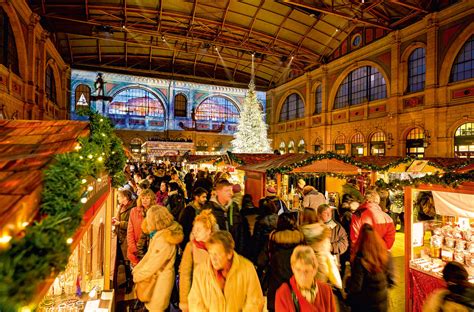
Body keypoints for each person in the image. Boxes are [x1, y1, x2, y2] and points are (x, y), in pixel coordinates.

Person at [188, 231, 265, 311]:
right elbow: (195, 303)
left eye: (217, 254)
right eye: (211, 253)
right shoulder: (200, 272)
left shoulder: (247, 269)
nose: (213, 259)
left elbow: (255, 302)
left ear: (229, 254)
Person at [133, 205, 184, 311]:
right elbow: (149, 257)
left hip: (160, 283)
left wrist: (137, 275)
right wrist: (138, 269)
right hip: (157, 280)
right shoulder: (160, 234)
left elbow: (153, 264)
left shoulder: (163, 240)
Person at [347, 223, 395, 312]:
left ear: (361, 240)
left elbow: (356, 287)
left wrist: (348, 281)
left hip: (364, 305)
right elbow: (391, 281)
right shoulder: (387, 255)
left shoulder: (360, 260)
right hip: (382, 305)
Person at [275, 245, 337, 312]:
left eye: (306, 271)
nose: (302, 276)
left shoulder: (326, 290)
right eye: (298, 270)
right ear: (293, 268)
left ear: (314, 270)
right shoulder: (283, 293)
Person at [178, 210, 218, 311]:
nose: (195, 232)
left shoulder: (218, 246)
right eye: (194, 229)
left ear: (208, 230)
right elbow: (185, 275)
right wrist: (184, 301)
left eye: (198, 229)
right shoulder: (191, 247)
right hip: (198, 297)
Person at [266, 213, 305, 312]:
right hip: (296, 285)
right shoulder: (300, 238)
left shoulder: (273, 238)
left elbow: (262, 260)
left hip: (276, 286)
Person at [300, 208, 342, 289]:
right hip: (322, 265)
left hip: (306, 267)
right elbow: (328, 247)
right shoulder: (323, 229)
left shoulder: (301, 232)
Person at [203, 179, 244, 254]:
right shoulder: (208, 208)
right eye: (227, 191)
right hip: (216, 253)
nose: (230, 193)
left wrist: (240, 252)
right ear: (218, 192)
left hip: (233, 251)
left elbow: (240, 230)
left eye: (230, 190)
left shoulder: (234, 207)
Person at [113, 188, 135, 293]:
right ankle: (127, 281)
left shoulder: (132, 209)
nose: (117, 198)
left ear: (125, 198)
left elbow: (130, 225)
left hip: (127, 238)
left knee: (127, 262)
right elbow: (119, 219)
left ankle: (130, 283)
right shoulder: (122, 207)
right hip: (121, 236)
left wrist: (119, 223)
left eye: (119, 197)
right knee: (124, 261)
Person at [127, 189, 156, 267]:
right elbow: (130, 231)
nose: (144, 200)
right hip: (136, 249)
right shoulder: (134, 211)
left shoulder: (156, 212)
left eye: (147, 198)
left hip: (151, 249)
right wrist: (133, 248)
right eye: (142, 198)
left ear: (152, 199)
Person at [317, 204, 348, 269]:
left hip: (332, 264)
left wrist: (331, 247)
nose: (329, 214)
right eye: (325, 213)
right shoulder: (314, 227)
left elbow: (344, 243)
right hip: (318, 264)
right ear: (319, 214)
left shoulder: (337, 227)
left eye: (330, 212)